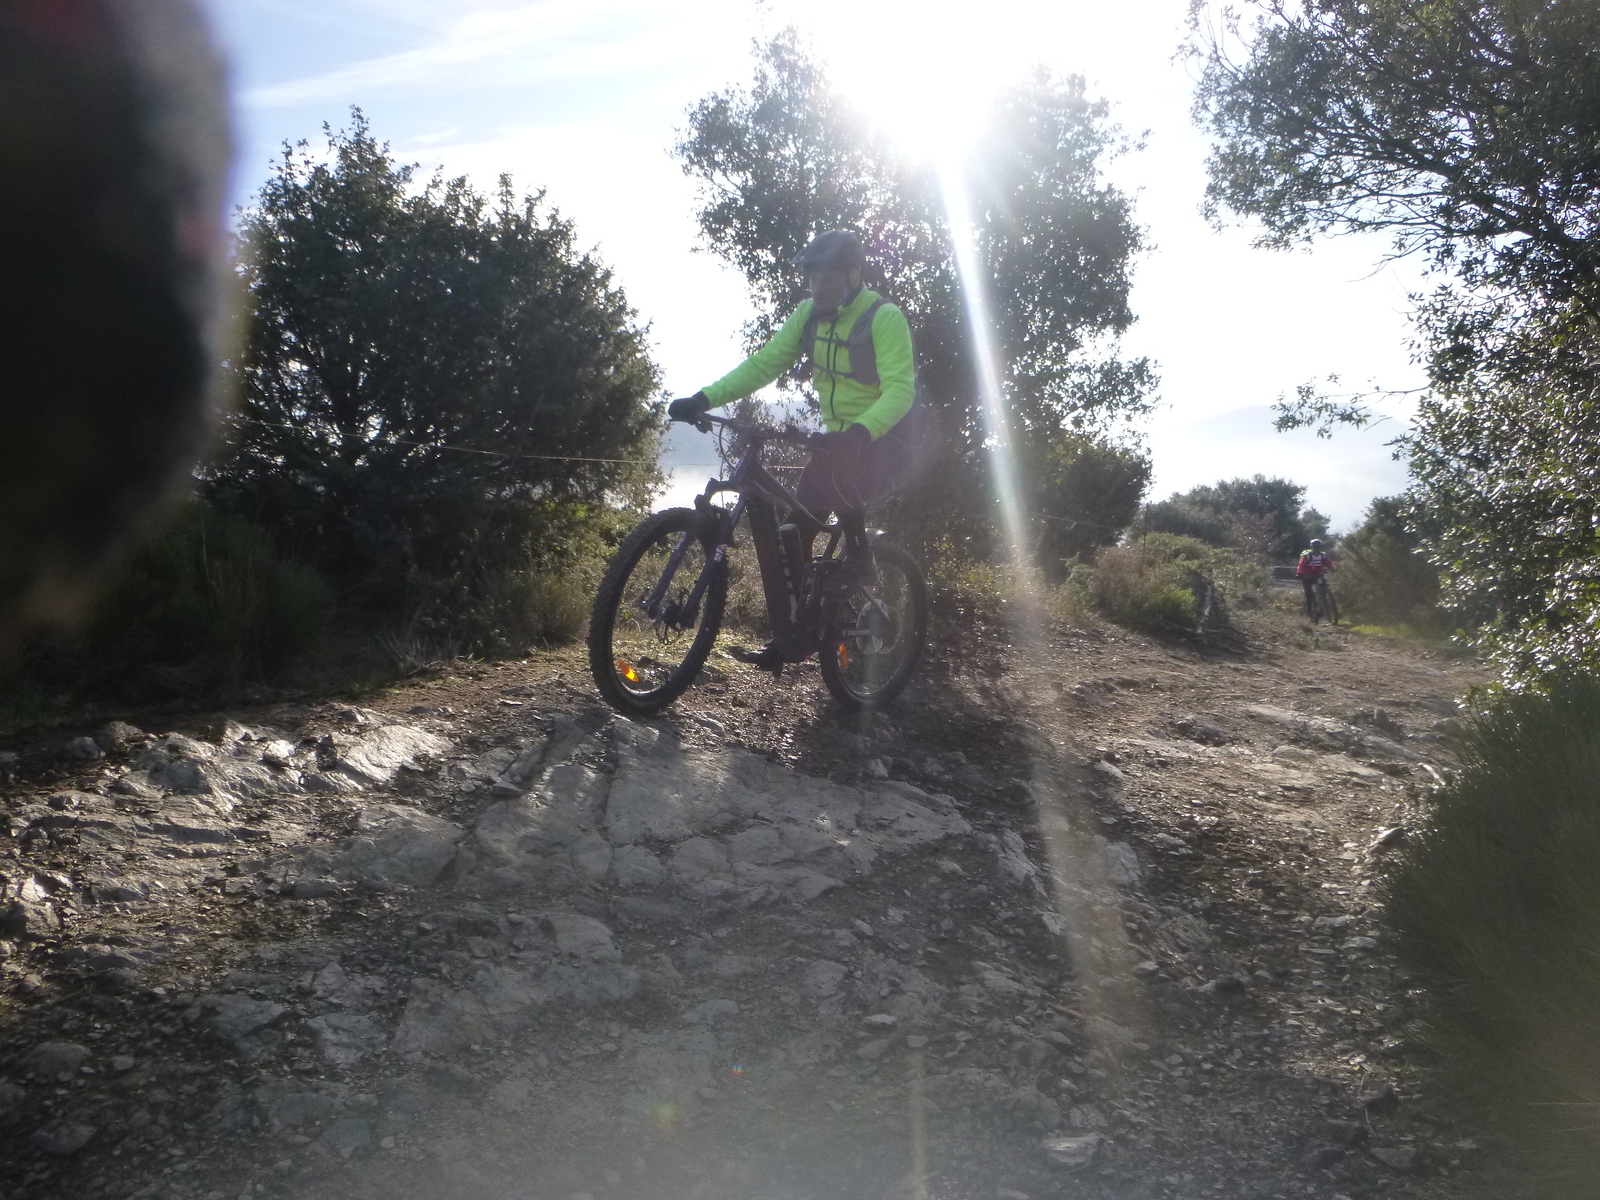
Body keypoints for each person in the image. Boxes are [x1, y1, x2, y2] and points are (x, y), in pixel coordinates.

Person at [668, 229, 925, 668]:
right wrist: (704, 399)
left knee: (842, 476)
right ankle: (795, 635)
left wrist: (860, 433)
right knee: (794, 530)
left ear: (853, 276)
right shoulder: (808, 316)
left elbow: (900, 389)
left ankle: (861, 558)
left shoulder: (883, 318)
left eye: (829, 278)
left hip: (886, 438)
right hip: (836, 442)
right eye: (813, 278)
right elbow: (764, 364)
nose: (818, 287)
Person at [1296, 538, 1336, 616]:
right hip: (1307, 576)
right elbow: (1300, 565)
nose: (1316, 550)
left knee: (1323, 586)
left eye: (1318, 548)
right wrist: (1299, 573)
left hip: (1317, 575)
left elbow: (1329, 563)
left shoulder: (1323, 555)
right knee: (1308, 594)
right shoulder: (1307, 556)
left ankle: (1323, 604)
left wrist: (1333, 568)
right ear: (1312, 548)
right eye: (1314, 548)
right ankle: (1310, 613)